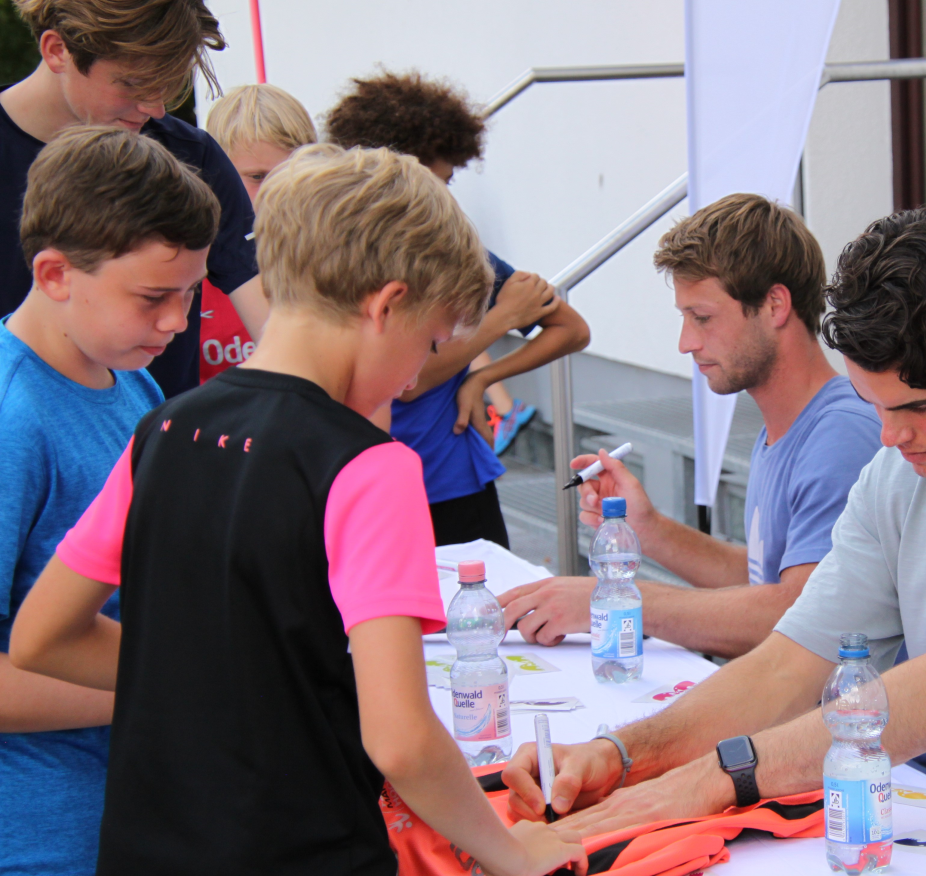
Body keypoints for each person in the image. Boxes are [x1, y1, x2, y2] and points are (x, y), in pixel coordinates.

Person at [501, 207, 926, 876]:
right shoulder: (899, 472)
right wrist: (622, 755)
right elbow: (787, 667)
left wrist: (716, 779)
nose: (892, 436)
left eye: (920, 406)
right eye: (876, 405)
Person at [9, 143, 586, 876]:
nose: (419, 371)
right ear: (387, 305)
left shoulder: (163, 427)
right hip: (300, 846)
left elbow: (41, 637)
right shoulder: (372, 467)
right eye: (432, 342)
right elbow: (401, 739)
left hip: (143, 843)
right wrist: (508, 853)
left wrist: (201, 677)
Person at [499, 194, 881, 658]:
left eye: (702, 318)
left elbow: (799, 614)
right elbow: (765, 579)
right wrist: (649, 529)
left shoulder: (840, 435)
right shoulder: (792, 426)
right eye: (685, 318)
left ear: (776, 305)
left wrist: (624, 602)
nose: (686, 342)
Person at [0, 126, 216, 875]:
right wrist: (179, 688)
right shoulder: (11, 420)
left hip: (136, 802)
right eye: (153, 297)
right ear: (56, 273)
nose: (178, 324)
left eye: (191, 294)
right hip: (43, 836)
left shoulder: (133, 382)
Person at [325, 70, 591, 545]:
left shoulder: (462, 255)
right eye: (441, 179)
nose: (446, 196)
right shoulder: (339, 259)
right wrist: (501, 321)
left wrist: (483, 377)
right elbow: (406, 382)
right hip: (369, 482)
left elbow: (571, 330)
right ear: (401, 170)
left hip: (453, 479)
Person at [0, 0, 269, 398]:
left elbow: (274, 321)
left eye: (168, 85)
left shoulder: (193, 157)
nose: (154, 107)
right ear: (58, 50)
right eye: (131, 83)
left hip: (162, 445)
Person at [197, 83, 318, 382]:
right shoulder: (187, 271)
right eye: (258, 177)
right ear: (214, 178)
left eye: (290, 173)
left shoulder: (329, 262)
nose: (275, 191)